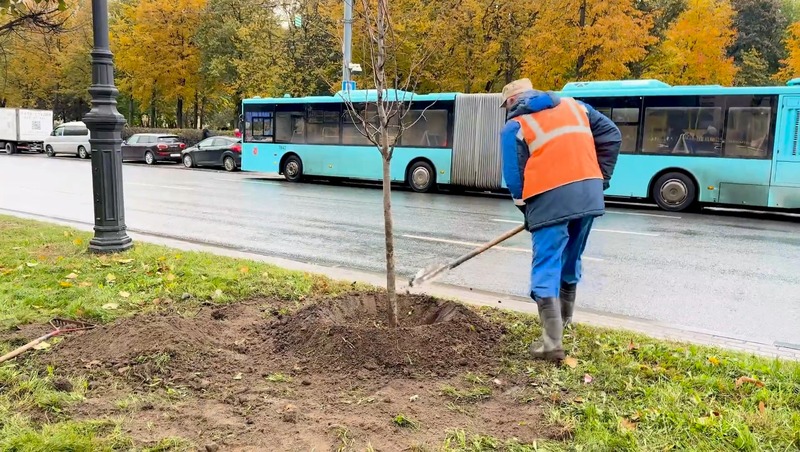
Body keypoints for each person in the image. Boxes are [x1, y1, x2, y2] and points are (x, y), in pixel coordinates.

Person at [499, 78, 621, 363]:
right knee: (572, 256)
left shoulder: (515, 127)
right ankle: (564, 324)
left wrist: (526, 210)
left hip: (547, 196)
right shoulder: (577, 107)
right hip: (589, 193)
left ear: (512, 101)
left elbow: (514, 177)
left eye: (506, 105)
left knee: (547, 261)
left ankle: (551, 343)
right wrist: (600, 179)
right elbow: (612, 136)